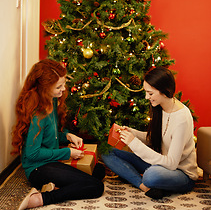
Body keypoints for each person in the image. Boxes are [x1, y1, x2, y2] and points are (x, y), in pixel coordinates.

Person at [11, 59, 104, 209]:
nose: (63, 89)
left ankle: (55, 186)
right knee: (96, 186)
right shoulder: (38, 114)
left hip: (51, 161)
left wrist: (67, 136)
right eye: (58, 87)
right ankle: (39, 198)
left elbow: (51, 137)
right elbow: (32, 154)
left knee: (98, 170)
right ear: (44, 88)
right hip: (37, 168)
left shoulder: (52, 101)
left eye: (63, 84)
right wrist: (67, 152)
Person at [102, 66, 198, 199]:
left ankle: (145, 181)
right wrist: (133, 133)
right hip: (161, 164)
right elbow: (155, 139)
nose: (147, 97)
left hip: (181, 174)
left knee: (151, 175)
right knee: (106, 151)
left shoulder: (181, 118)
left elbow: (171, 163)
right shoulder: (161, 107)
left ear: (164, 92)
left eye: (150, 93)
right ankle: (143, 186)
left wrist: (133, 143)